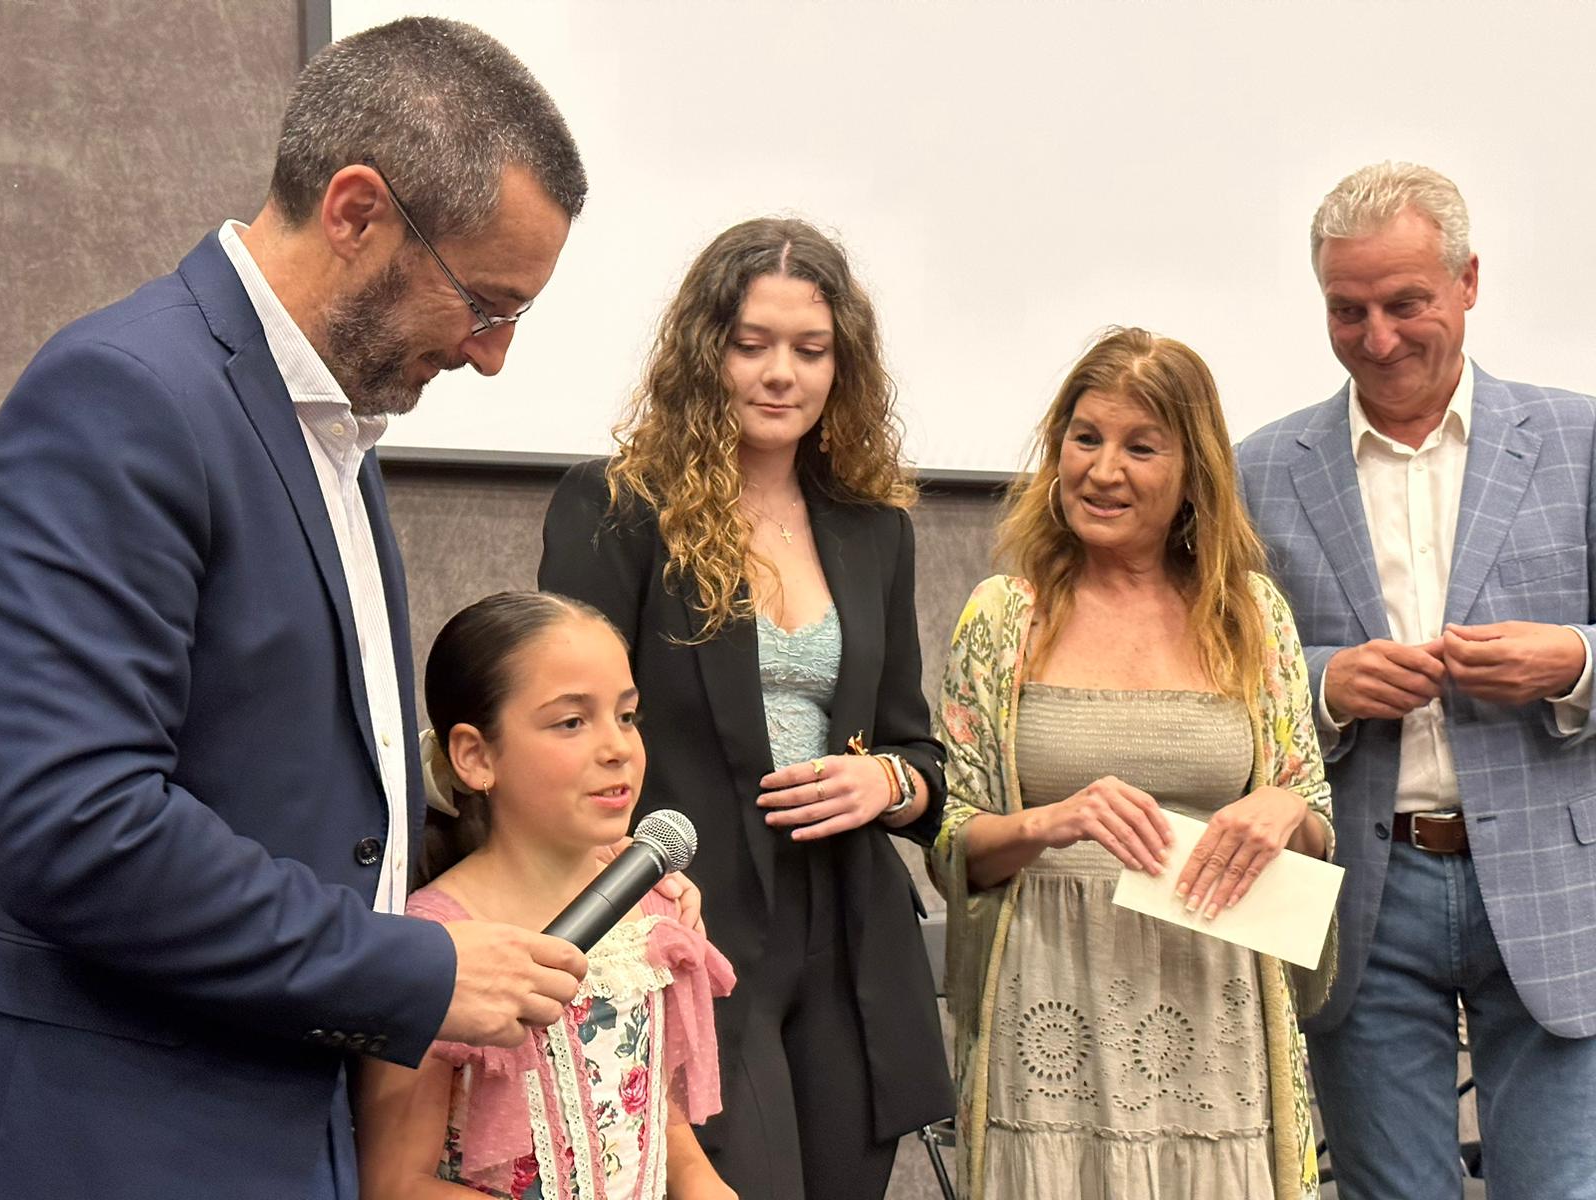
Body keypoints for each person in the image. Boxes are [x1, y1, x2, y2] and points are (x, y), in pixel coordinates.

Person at [0, 17, 689, 1199]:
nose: (492, 358)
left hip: (285, 1118)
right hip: (140, 1132)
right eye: (485, 303)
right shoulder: (129, 394)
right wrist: (405, 967)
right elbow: (72, 816)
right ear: (357, 211)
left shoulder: (337, 437)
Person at [538, 217, 954, 1199]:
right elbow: (560, 729)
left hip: (849, 929)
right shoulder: (615, 507)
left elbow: (918, 752)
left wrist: (886, 781)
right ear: (703, 351)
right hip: (687, 920)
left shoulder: (873, 530)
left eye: (810, 351)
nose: (781, 374)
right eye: (751, 345)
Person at [1235, 161, 1596, 1200]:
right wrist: (1321, 683)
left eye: (1405, 304)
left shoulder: (1577, 443)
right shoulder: (1258, 468)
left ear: (1468, 281)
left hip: (1550, 883)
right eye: (1347, 311)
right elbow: (1219, 674)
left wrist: (1571, 660)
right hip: (1353, 886)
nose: (1377, 337)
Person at [930, 327, 1334, 1199]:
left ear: (1194, 472)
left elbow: (1309, 807)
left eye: (1140, 447)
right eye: (1086, 438)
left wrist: (1288, 812)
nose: (1102, 470)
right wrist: (1049, 821)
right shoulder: (1004, 616)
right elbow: (953, 839)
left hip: (1220, 1015)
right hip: (1047, 1008)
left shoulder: (1250, 616)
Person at [355, 591, 735, 1200]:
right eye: (572, 722)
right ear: (477, 757)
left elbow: (652, 1108)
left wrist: (701, 1183)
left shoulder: (655, 908)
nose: (616, 748)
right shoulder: (435, 945)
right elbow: (394, 1182)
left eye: (627, 716)